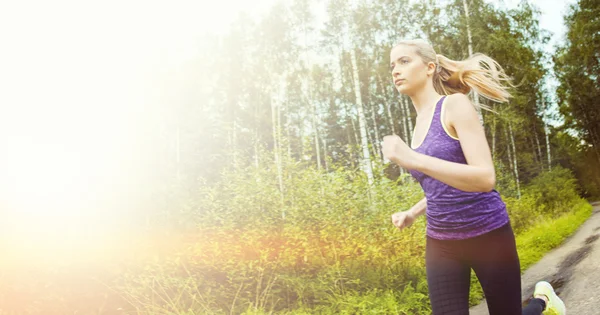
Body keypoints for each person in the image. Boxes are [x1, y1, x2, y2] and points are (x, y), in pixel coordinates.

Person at [380, 39, 566, 315]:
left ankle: (543, 303)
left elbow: (484, 177)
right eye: (392, 64)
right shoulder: (418, 124)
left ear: (430, 67)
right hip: (442, 242)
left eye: (404, 61)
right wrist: (412, 212)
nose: (396, 70)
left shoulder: (454, 106)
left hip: (488, 233)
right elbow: (441, 185)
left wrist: (412, 158)